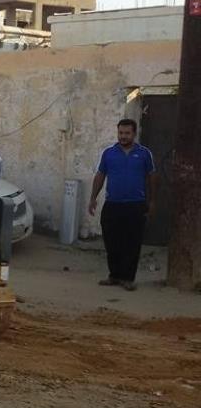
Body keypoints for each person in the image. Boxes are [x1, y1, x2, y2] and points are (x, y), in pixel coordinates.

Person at [88, 119, 157, 291]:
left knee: (132, 243)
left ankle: (128, 278)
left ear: (134, 134)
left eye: (127, 133)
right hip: (112, 205)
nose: (123, 136)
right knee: (111, 242)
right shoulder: (109, 153)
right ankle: (114, 275)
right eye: (120, 133)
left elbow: (152, 177)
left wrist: (152, 201)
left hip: (135, 205)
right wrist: (93, 198)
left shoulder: (144, 154)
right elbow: (100, 175)